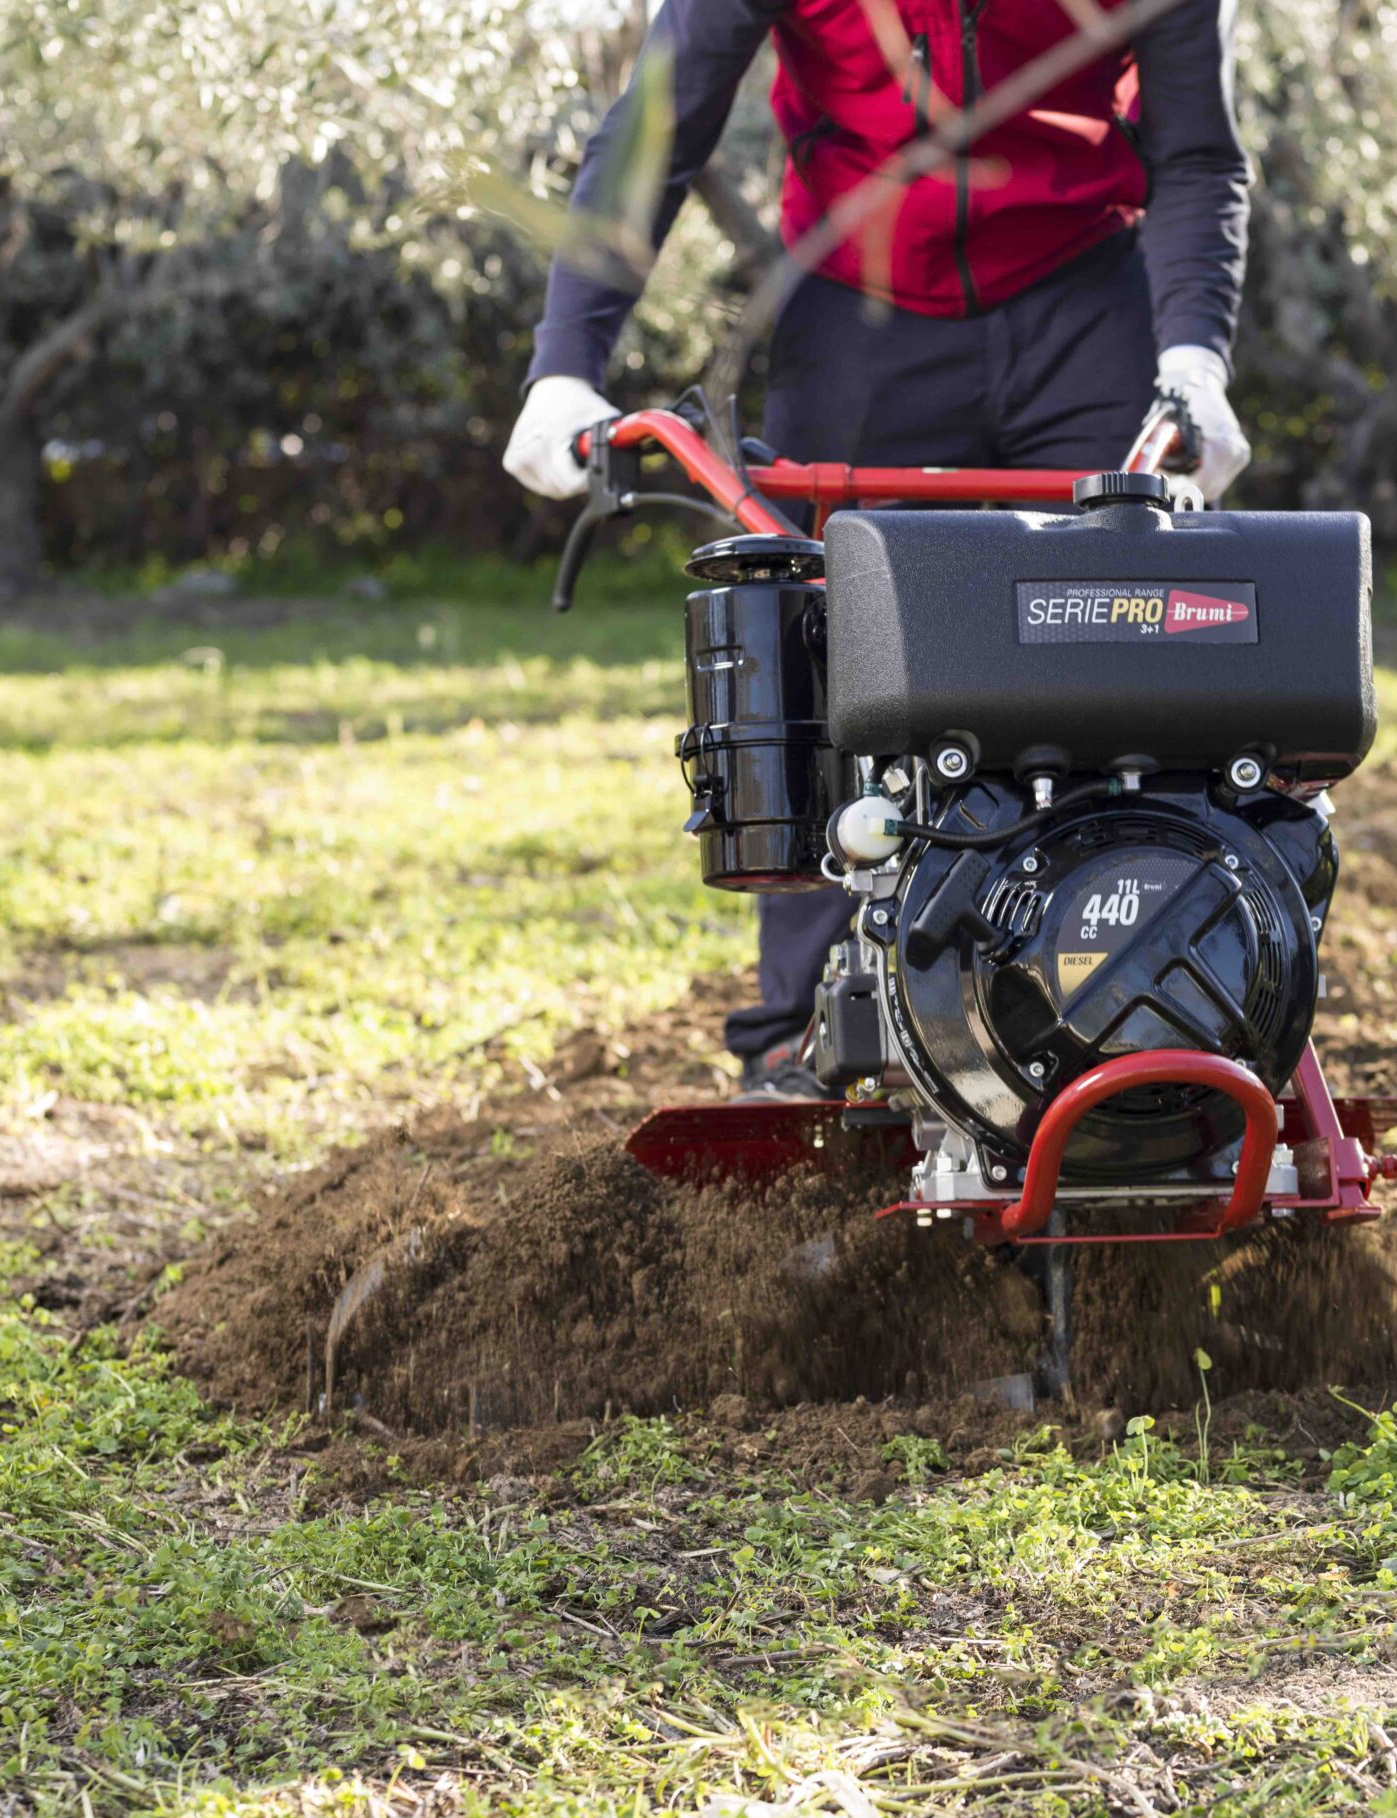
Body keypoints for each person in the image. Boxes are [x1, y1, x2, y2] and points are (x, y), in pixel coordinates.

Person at [505, 0, 1252, 1096]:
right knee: (829, 652)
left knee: (1135, 640)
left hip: (1085, 300)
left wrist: (1193, 356)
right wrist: (566, 360)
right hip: (856, 307)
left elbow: (1194, 151)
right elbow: (659, 124)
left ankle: (1161, 1002)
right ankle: (806, 1033)